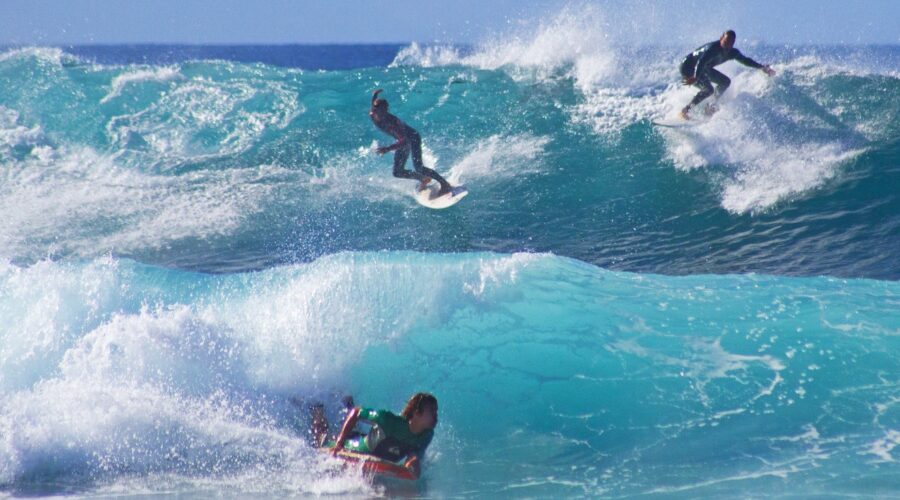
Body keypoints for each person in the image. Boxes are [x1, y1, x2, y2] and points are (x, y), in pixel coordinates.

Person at [313, 392, 438, 480]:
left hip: (372, 441)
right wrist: (339, 444)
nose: (436, 415)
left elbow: (414, 455)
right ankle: (317, 407)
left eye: (436, 411)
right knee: (322, 440)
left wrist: (413, 466)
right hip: (356, 448)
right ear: (417, 413)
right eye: (432, 411)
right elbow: (357, 412)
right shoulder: (388, 420)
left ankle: (347, 404)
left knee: (360, 433)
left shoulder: (427, 435)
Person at [369, 89, 453, 196]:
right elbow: (374, 104)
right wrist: (375, 95)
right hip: (401, 141)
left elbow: (404, 140)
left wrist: (388, 149)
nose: (383, 113)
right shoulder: (372, 113)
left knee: (419, 167)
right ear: (375, 111)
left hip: (412, 138)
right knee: (397, 172)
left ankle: (444, 183)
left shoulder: (393, 122)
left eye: (385, 110)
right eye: (380, 111)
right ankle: (423, 179)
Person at [679, 30, 776, 119]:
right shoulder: (712, 49)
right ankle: (685, 111)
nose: (727, 46)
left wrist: (761, 67)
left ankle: (709, 106)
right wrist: (695, 77)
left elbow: (745, 61)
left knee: (725, 82)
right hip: (688, 67)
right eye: (726, 42)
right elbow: (701, 61)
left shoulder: (732, 52)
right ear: (721, 38)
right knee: (708, 89)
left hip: (704, 68)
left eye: (730, 43)